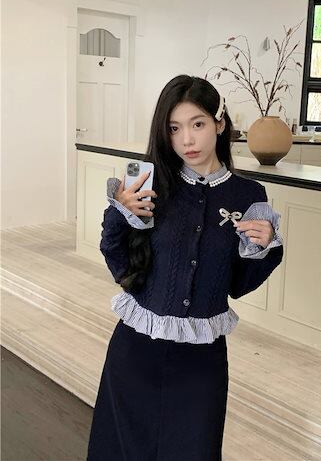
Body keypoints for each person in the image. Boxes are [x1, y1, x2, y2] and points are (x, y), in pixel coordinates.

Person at [87, 75, 284, 461]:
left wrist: (265, 248)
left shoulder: (248, 196)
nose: (187, 140)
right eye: (174, 128)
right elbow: (119, 263)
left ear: (219, 124)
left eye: (198, 124)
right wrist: (120, 215)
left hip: (201, 362)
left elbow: (239, 284)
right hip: (135, 351)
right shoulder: (151, 185)